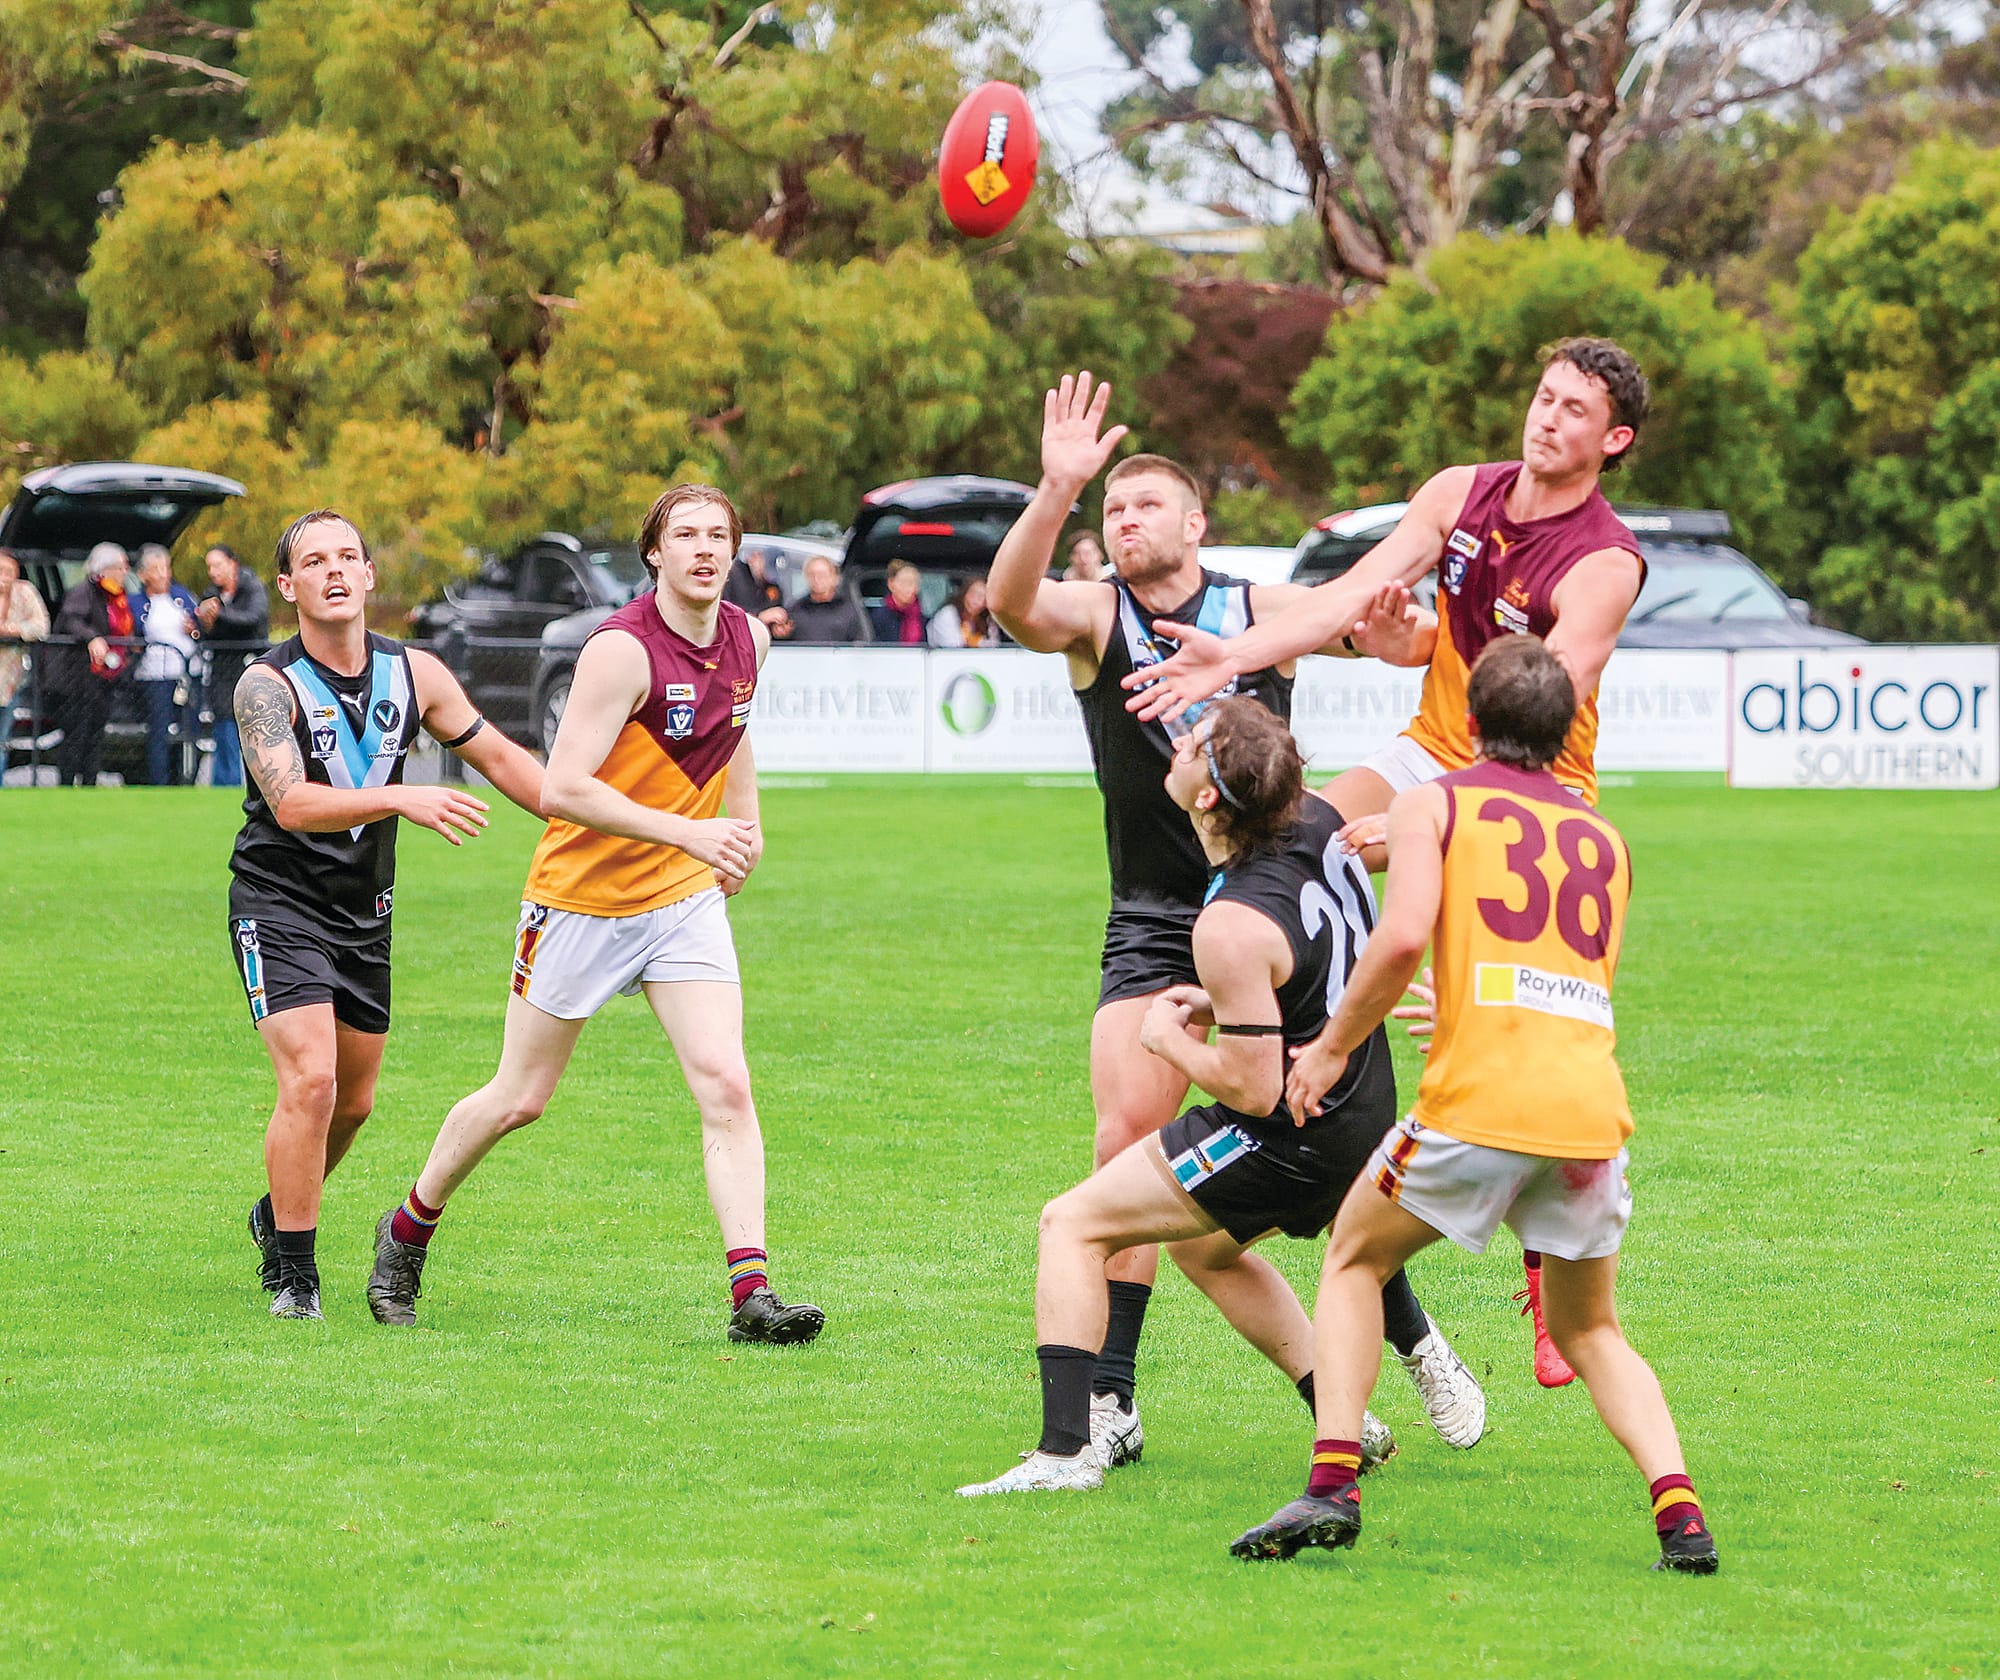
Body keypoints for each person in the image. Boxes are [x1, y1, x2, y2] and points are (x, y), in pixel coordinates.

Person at [1125, 337, 1653, 1387]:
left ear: (1612, 440)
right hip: (1428, 752)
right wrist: (1237, 655)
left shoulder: (1602, 560)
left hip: (1529, 786)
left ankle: (1549, 1269)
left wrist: (1429, 824)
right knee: (1293, 846)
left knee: (1521, 1028)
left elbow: (1552, 693)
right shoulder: (1460, 492)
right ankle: (1293, 1081)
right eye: (1540, 397)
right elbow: (1347, 591)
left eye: (1571, 410)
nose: (1545, 419)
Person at [982, 370, 1477, 1471]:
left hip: (1271, 908)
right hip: (1158, 920)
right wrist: (1054, 490)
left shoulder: (1257, 614)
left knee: (1326, 1151)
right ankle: (1110, 1405)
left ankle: (1415, 1340)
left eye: (1142, 503)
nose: (1125, 520)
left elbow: (1380, 634)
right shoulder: (1097, 616)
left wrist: (1403, 647)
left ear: (1197, 524)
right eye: (1112, 509)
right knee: (1126, 1150)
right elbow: (1014, 602)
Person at [1229, 636, 1717, 1575]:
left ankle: (1331, 1485)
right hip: (1587, 1114)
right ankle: (1681, 1518)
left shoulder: (1433, 801)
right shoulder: (1603, 838)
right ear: (1566, 727)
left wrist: (1329, 1049)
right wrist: (1467, 1000)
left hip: (1481, 1106)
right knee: (1593, 1330)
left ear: (1468, 721)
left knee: (1352, 1260)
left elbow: (1406, 930)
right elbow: (1573, 978)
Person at [959, 698, 1472, 1495]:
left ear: (1207, 797)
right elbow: (1299, 968)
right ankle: (1347, 1418)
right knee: (1203, 1249)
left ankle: (1065, 1455)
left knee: (1070, 1224)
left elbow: (1254, 1084)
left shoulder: (1228, 923)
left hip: (1293, 1131)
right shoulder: (1324, 819)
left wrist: (1170, 1041)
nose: (1178, 742)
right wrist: (1234, 1009)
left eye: (1193, 743)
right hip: (1362, 1111)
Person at [365, 484, 824, 1347]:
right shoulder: (619, 651)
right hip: (580, 900)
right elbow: (563, 788)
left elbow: (737, 731)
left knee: (726, 1082)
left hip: (680, 899)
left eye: (718, 535)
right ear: (653, 553)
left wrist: (746, 828)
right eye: (684, 534)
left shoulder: (749, 638)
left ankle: (752, 1296)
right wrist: (694, 829)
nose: (703, 549)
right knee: (520, 1098)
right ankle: (405, 1230)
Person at [231, 509, 546, 1321]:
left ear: (370, 575)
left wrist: (590, 812)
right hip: (279, 903)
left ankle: (278, 1208)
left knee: (355, 1102)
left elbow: (505, 760)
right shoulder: (266, 685)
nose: (334, 570)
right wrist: (403, 794)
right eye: (314, 561)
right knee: (311, 1081)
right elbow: (293, 803)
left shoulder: (419, 674)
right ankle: (294, 1278)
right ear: (288, 586)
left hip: (364, 915)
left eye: (348, 557)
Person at [50, 543, 136, 787]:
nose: (124, 571)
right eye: (120, 566)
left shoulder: (118, 596)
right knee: (76, 732)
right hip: (78, 678)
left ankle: (90, 781)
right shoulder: (84, 592)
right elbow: (71, 619)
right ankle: (67, 783)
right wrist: (92, 638)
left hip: (105, 678)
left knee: (96, 732)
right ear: (105, 568)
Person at [197, 545, 270, 788]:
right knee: (224, 725)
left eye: (217, 565)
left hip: (249, 663)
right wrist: (199, 626)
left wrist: (220, 614)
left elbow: (253, 618)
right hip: (221, 669)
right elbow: (208, 632)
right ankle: (225, 783)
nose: (213, 572)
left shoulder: (252, 587)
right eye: (209, 567)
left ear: (233, 564)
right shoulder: (211, 593)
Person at [135, 544, 202, 786]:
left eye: (166, 568)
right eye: (156, 569)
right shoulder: (138, 602)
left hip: (187, 673)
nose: (163, 574)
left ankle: (187, 780)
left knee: (189, 730)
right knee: (159, 731)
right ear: (143, 575)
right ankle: (158, 782)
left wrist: (194, 629)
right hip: (156, 676)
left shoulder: (182, 596)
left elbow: (200, 627)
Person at [0, 547, 51, 713]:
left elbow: (42, 627)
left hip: (11, 677)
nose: (4, 577)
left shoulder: (25, 592)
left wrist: (12, 630)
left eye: (9, 572)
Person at [786, 554, 867, 644]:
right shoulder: (795, 609)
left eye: (822, 575)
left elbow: (859, 643)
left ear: (834, 578)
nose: (816, 579)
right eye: (812, 574)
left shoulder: (848, 609)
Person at [927, 577, 1002, 648]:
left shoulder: (987, 619)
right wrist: (977, 641)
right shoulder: (947, 613)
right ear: (964, 593)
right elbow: (953, 646)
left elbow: (994, 644)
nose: (976, 601)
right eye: (973, 594)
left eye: (982, 597)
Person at [870, 559, 928, 645]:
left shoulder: (921, 617)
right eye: (904, 583)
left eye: (915, 583)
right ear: (891, 584)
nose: (910, 589)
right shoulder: (879, 617)